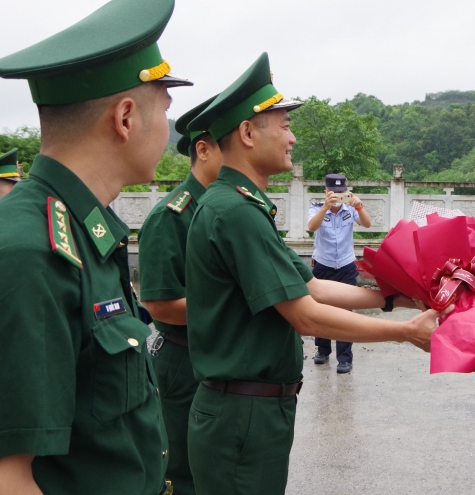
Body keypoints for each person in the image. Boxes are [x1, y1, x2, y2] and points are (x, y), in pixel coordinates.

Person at [183, 52, 440, 495]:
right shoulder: (234, 212)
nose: (293, 137)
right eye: (283, 126)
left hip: (248, 409)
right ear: (247, 132)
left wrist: (394, 299)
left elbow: (312, 286)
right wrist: (405, 332)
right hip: (242, 414)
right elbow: (307, 316)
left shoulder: (239, 206)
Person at [0, 0, 192, 493]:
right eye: (164, 110)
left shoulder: (84, 231)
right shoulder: (31, 252)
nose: (169, 130)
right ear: (125, 118)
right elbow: (5, 479)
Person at [137, 94, 222, 495]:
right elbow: (158, 304)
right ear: (202, 151)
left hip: (221, 356)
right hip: (183, 360)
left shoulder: (228, 211)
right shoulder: (171, 216)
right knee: (183, 474)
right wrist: (236, 311)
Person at [307, 173, 373, 373]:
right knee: (321, 309)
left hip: (345, 265)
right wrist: (326, 207)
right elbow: (311, 227)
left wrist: (359, 206)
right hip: (323, 265)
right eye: (333, 192)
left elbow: (368, 224)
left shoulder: (350, 209)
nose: (337, 196)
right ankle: (322, 350)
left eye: (341, 192)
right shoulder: (316, 208)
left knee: (346, 311)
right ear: (325, 192)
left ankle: (345, 358)